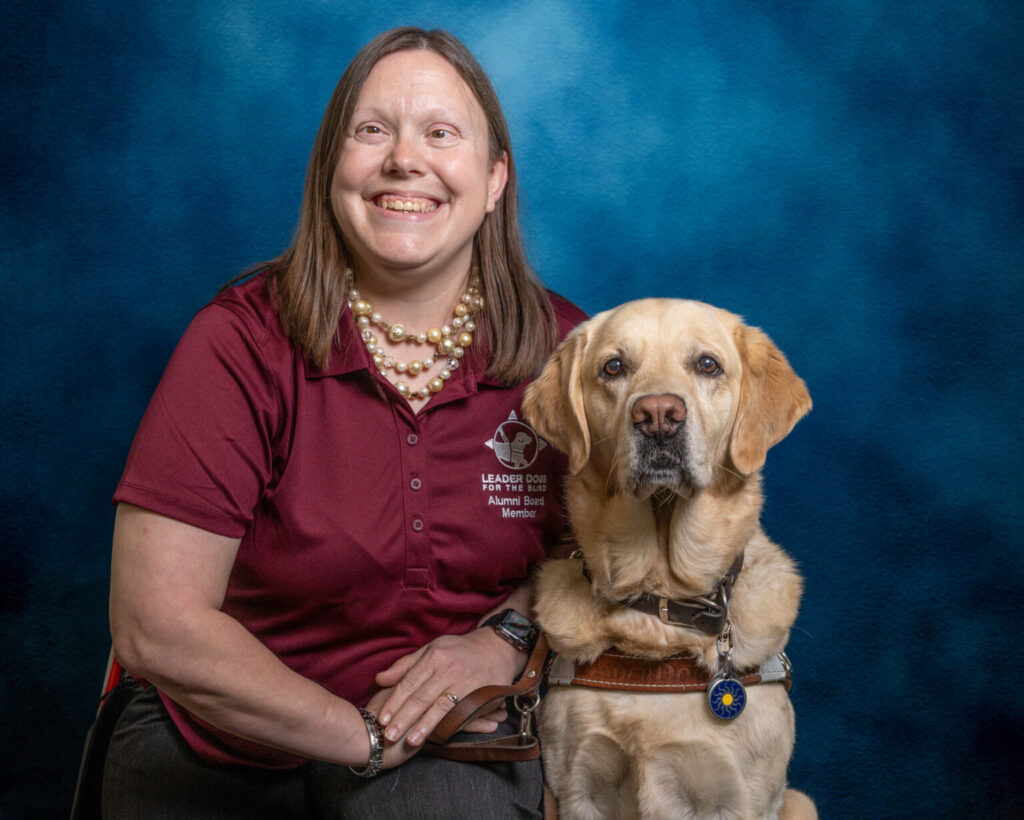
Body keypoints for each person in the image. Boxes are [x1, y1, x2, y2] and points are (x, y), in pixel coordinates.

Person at [102, 26, 586, 819]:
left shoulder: (572, 351)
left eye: (441, 133)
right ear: (333, 167)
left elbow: (619, 559)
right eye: (372, 131)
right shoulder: (239, 342)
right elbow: (154, 625)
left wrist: (502, 636)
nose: (405, 159)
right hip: (223, 738)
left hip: (451, 743)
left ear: (495, 178)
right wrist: (360, 736)